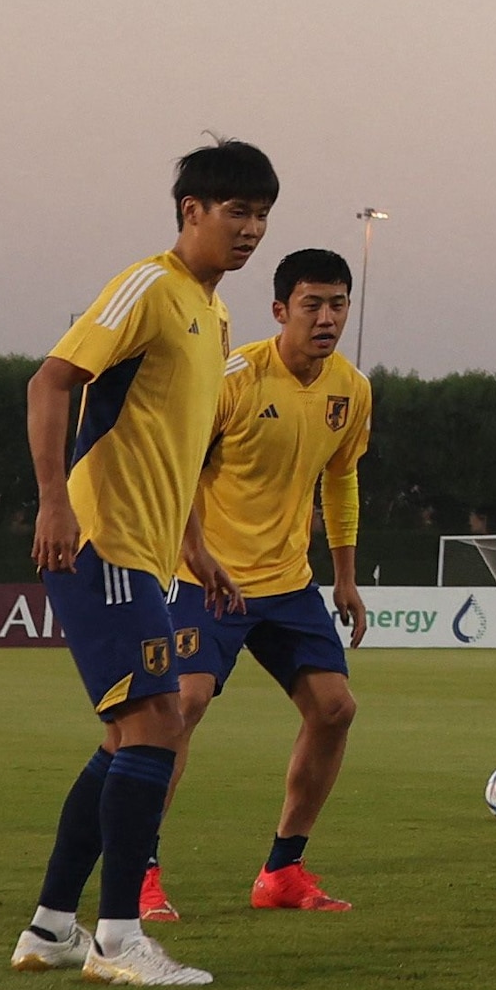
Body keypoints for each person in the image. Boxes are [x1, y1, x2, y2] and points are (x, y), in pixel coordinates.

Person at [4, 140, 274, 990]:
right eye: (235, 211)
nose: (251, 229)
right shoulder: (149, 286)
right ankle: (119, 939)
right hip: (102, 540)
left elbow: (179, 448)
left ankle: (51, 926)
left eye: (261, 214)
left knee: (130, 731)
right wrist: (53, 498)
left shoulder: (214, 315)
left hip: (151, 555)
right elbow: (49, 383)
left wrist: (198, 550)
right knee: (159, 720)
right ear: (190, 209)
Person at [170, 244, 373, 915]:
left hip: (287, 582)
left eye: (338, 303)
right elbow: (179, 474)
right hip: (207, 577)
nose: (327, 317)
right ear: (281, 308)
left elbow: (341, 479)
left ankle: (283, 869)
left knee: (335, 708)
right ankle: (140, 870)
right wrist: (195, 554)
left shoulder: (351, 387)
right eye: (312, 304)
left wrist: (344, 575)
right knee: (181, 705)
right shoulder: (231, 377)